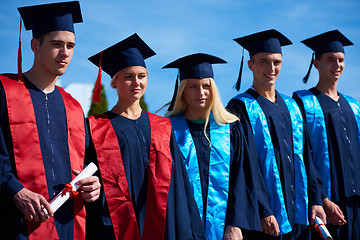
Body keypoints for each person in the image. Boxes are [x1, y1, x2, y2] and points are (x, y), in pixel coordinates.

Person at [85, 33, 205, 240]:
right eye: (128, 76)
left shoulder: (162, 126)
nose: (136, 82)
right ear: (114, 83)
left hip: (164, 223)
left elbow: (181, 184)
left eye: (142, 76)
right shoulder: (97, 127)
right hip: (116, 227)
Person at [0, 2, 101, 239]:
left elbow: (87, 165)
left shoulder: (74, 107)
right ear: (35, 45)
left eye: (70, 46)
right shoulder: (4, 91)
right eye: (57, 44)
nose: (65, 53)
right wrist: (14, 190)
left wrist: (94, 186)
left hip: (69, 225)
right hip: (16, 221)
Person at [163, 53, 277, 240]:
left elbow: (243, 177)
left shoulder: (232, 129)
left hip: (226, 230)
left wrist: (235, 223)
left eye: (206, 86)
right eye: (192, 86)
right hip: (181, 227)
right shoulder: (168, 131)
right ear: (182, 90)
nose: (201, 93)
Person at [226, 29, 326, 239]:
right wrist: (263, 209)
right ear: (250, 64)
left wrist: (316, 200)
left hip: (299, 215)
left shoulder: (291, 106)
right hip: (263, 220)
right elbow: (244, 167)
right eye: (264, 61)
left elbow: (307, 157)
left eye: (276, 62)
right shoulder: (239, 108)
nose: (271, 68)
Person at [293, 30, 360, 240]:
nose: (337, 65)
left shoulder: (354, 106)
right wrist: (322, 198)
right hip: (326, 204)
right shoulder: (303, 103)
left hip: (355, 201)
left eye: (341, 60)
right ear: (316, 63)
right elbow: (303, 156)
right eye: (330, 59)